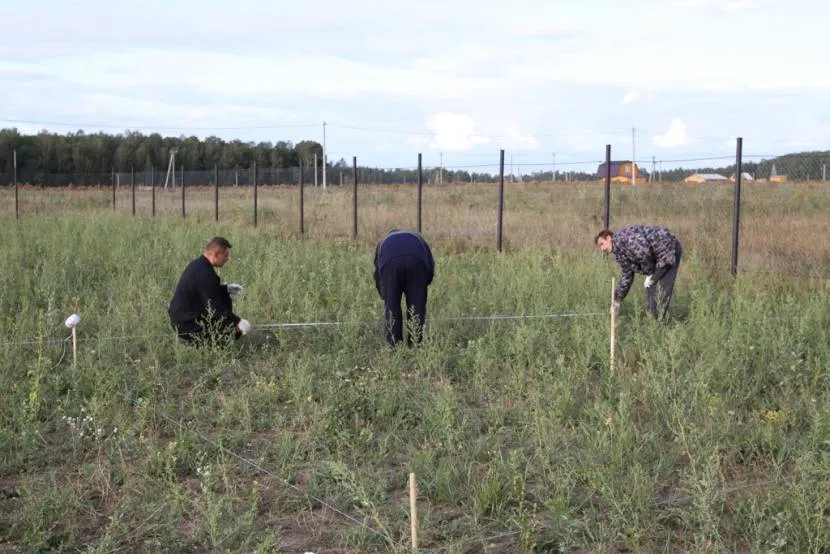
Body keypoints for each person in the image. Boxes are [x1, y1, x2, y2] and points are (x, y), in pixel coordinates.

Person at [169, 236, 250, 345]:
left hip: (183, 317)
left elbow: (204, 291)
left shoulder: (199, 264)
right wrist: (238, 323)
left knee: (223, 297)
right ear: (216, 254)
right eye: (225, 255)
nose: (228, 258)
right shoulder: (206, 274)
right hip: (186, 324)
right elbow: (215, 309)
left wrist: (226, 288)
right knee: (227, 331)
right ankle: (212, 348)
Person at [595, 225, 683, 319]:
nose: (602, 249)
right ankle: (654, 320)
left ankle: (655, 322)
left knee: (655, 286)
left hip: (668, 248)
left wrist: (650, 273)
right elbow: (627, 275)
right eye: (600, 247)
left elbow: (644, 253)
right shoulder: (618, 253)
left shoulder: (625, 237)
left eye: (602, 244)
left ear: (609, 238)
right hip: (657, 257)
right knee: (651, 286)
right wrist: (616, 300)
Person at [373, 229, 435, 346]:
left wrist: (384, 294)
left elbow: (378, 274)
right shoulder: (418, 237)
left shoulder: (382, 242)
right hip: (417, 261)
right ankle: (415, 344)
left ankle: (395, 346)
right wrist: (423, 285)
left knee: (392, 306)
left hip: (390, 263)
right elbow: (430, 265)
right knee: (417, 306)